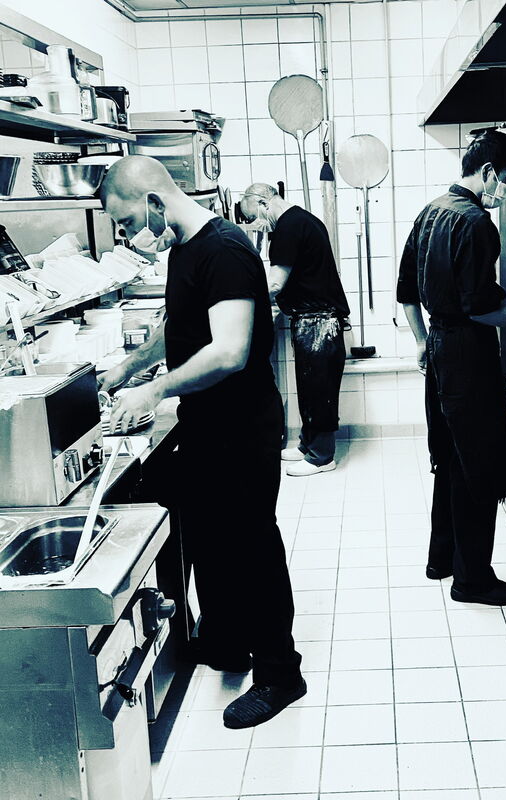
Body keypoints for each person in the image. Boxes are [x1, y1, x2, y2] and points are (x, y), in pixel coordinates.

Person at [98, 156, 304, 729]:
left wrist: (155, 390)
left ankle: (280, 672)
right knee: (212, 538)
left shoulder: (225, 249)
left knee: (252, 544)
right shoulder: (186, 248)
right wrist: (130, 367)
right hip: (207, 422)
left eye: (126, 222)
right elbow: (180, 323)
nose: (127, 235)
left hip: (243, 425)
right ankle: (227, 641)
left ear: (155, 203)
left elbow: (230, 350)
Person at [397, 130, 506, 607]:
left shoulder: (431, 211)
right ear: (488, 171)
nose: (505, 189)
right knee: (478, 465)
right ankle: (472, 581)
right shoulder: (476, 223)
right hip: (468, 355)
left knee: (450, 457)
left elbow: (405, 292)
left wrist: (423, 343)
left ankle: (443, 560)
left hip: (440, 350)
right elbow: (481, 310)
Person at [240, 183, 350, 477]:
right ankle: (307, 445)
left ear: (263, 203)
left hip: (317, 321)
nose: (256, 225)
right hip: (317, 318)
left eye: (253, 217)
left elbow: (275, 283)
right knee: (310, 388)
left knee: (319, 392)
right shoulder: (302, 220)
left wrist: (240, 299)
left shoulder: (287, 228)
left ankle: (322, 457)